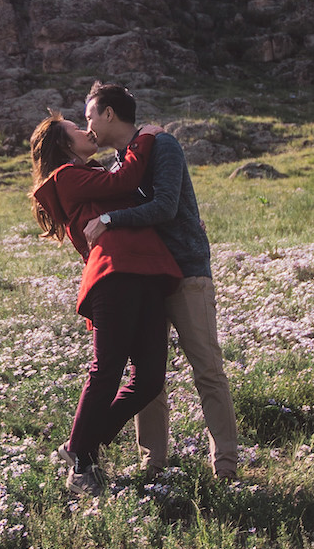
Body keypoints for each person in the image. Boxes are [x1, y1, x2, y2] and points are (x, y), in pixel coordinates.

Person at [80, 80, 240, 481]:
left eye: (90, 117)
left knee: (206, 366)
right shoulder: (120, 164)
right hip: (144, 280)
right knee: (148, 377)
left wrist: (111, 220)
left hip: (185, 270)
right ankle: (152, 464)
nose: (88, 129)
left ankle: (226, 464)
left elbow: (166, 206)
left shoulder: (162, 146)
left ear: (109, 114)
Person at [28, 113, 181, 494]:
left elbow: (139, 194)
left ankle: (80, 446)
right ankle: (81, 462)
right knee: (107, 370)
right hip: (112, 277)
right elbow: (126, 179)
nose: (87, 130)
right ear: (63, 145)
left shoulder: (91, 173)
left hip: (145, 272)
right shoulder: (67, 176)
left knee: (149, 379)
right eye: (77, 130)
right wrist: (144, 137)